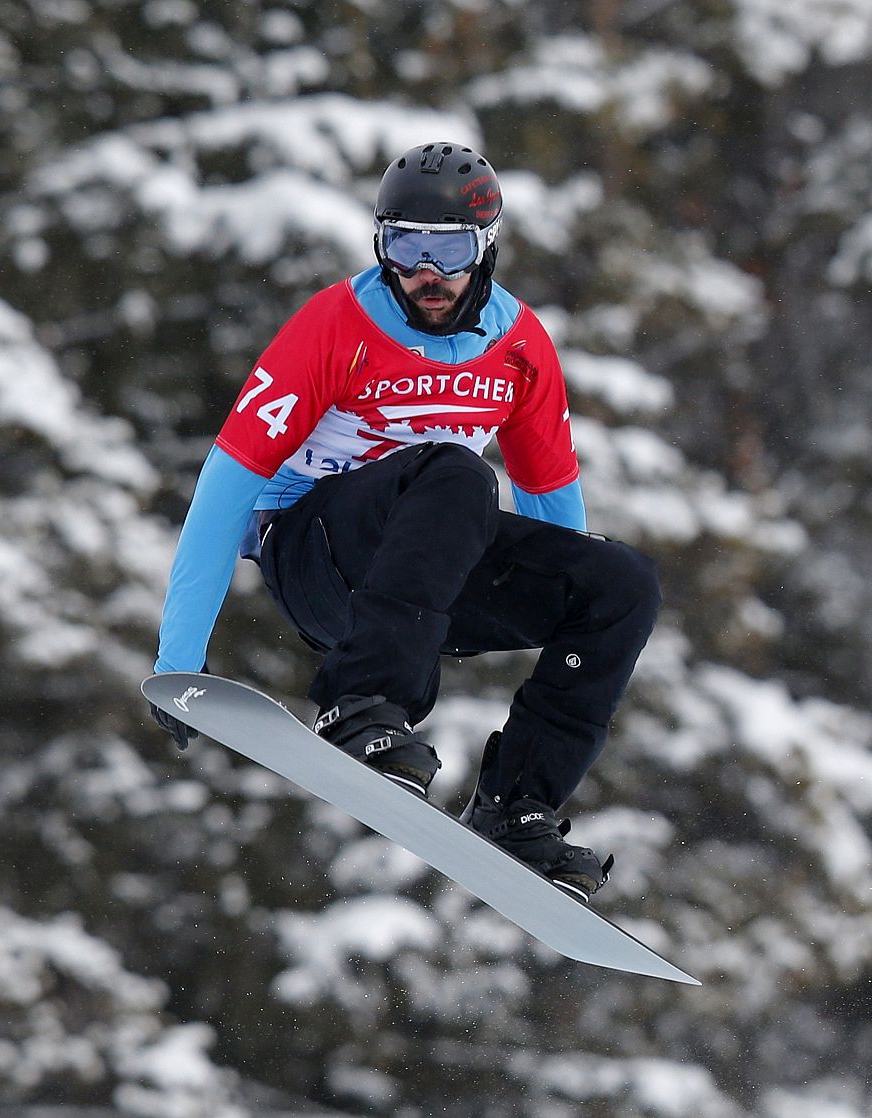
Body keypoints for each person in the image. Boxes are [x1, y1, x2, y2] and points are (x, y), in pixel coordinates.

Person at [149, 141, 661, 901]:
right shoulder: (338, 324)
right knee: (456, 472)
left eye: (447, 251)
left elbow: (555, 514)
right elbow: (225, 488)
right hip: (316, 557)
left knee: (619, 581)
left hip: (428, 571)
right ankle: (359, 704)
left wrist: (569, 618)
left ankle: (518, 808)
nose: (426, 273)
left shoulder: (518, 346)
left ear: (486, 246)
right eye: (404, 247)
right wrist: (179, 657)